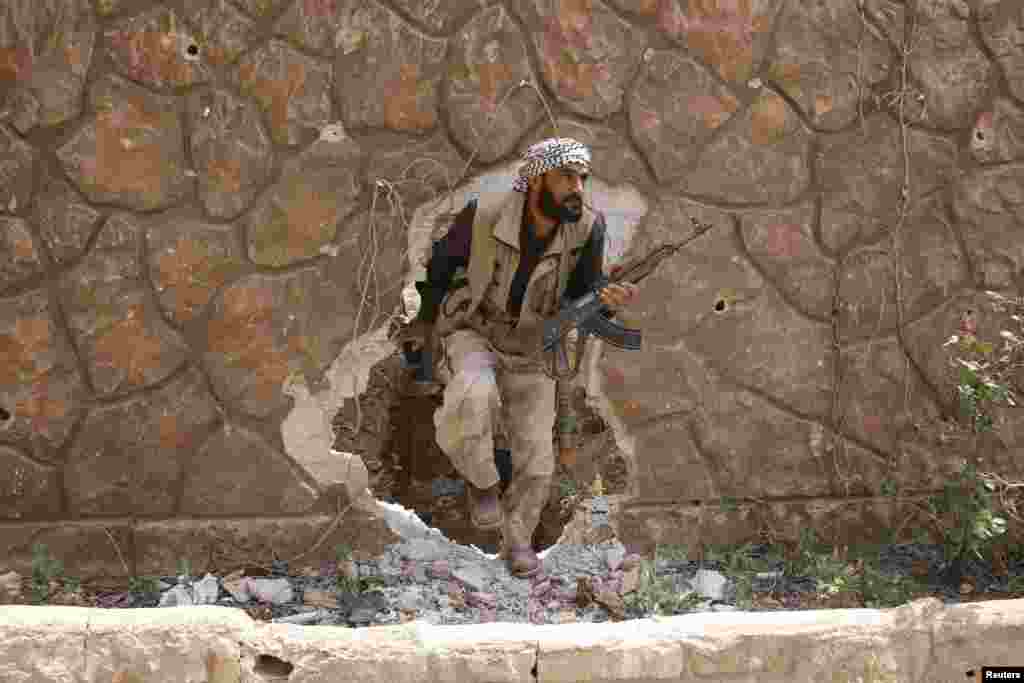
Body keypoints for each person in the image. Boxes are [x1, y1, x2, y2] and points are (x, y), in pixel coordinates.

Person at [400, 138, 640, 578]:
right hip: (476, 329)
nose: (578, 189)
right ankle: (484, 482)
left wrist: (605, 301)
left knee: (537, 459)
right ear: (536, 179)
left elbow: (579, 296)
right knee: (473, 393)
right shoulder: (484, 216)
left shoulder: (588, 228)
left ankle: (520, 541)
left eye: (582, 179)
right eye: (566, 177)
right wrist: (425, 323)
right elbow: (440, 267)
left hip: (534, 348)